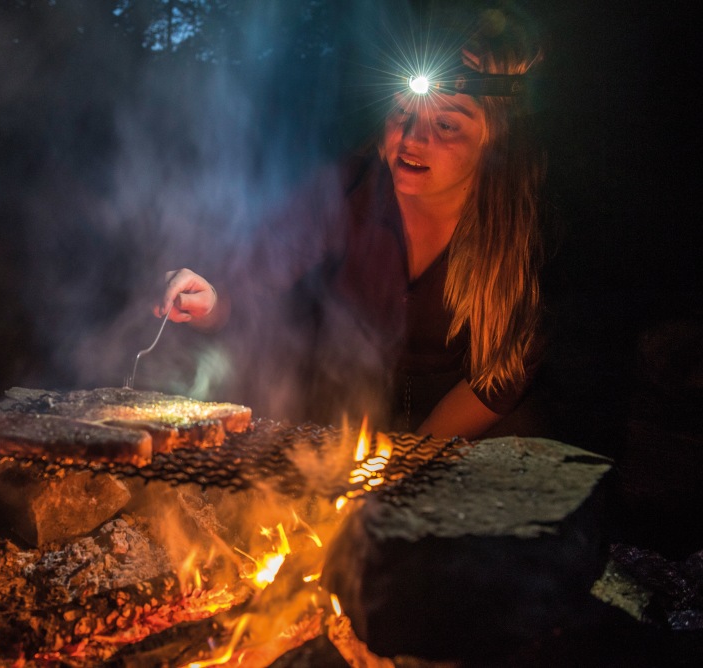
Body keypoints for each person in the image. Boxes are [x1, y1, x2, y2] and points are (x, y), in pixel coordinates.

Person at [153, 6, 547, 439]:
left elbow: (504, 377)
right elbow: (256, 278)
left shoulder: (517, 224)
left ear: (495, 136)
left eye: (447, 124)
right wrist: (210, 299)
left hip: (462, 438)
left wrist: (413, 462)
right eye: (402, 112)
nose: (413, 137)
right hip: (347, 417)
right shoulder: (350, 187)